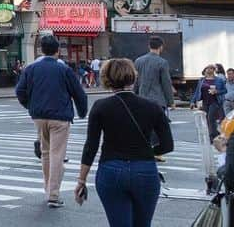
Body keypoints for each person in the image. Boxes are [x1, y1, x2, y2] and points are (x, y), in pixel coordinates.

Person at [75, 59, 174, 226]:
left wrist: (81, 180)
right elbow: (167, 145)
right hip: (145, 170)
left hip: (111, 169)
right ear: (133, 77)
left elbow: (91, 147)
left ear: (107, 79)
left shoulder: (101, 106)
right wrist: (147, 152)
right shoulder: (152, 107)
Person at [16, 34, 89, 208]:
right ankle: (53, 194)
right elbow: (78, 93)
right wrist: (82, 112)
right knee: (57, 154)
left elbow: (20, 91)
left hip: (39, 116)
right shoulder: (63, 69)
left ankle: (48, 188)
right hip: (60, 116)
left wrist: (30, 106)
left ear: (41, 50)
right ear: (57, 51)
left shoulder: (31, 69)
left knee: (46, 153)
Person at [193, 64, 227, 139]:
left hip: (215, 102)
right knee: (207, 119)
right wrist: (193, 101)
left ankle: (212, 136)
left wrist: (216, 91)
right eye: (207, 68)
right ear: (205, 70)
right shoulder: (202, 80)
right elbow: (197, 91)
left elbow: (225, 90)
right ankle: (216, 134)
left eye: (211, 68)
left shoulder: (219, 80)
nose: (209, 70)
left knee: (210, 118)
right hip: (204, 102)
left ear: (214, 70)